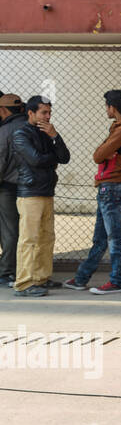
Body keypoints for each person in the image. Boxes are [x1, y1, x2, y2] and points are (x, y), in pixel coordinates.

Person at [63, 90, 121, 295]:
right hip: (110, 187)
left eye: (107, 106)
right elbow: (102, 153)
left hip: (111, 187)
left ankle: (116, 281)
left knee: (115, 238)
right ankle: (81, 278)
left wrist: (104, 150)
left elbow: (98, 156)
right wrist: (105, 151)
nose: (106, 109)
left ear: (112, 107)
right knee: (101, 238)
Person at [10, 96, 71, 297]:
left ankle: (41, 278)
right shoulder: (20, 134)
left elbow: (64, 157)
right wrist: (52, 159)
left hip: (46, 191)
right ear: (30, 113)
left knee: (46, 237)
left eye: (49, 112)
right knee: (29, 239)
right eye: (43, 112)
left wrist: (55, 136)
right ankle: (24, 283)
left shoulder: (46, 132)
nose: (47, 116)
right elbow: (35, 160)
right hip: (30, 193)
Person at [0, 93, 27, 287]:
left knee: (9, 230)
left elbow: (1, 161)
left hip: (7, 188)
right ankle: (26, 268)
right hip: (30, 188)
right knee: (29, 230)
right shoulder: (32, 126)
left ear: (3, 110)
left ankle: (8, 270)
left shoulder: (4, 131)